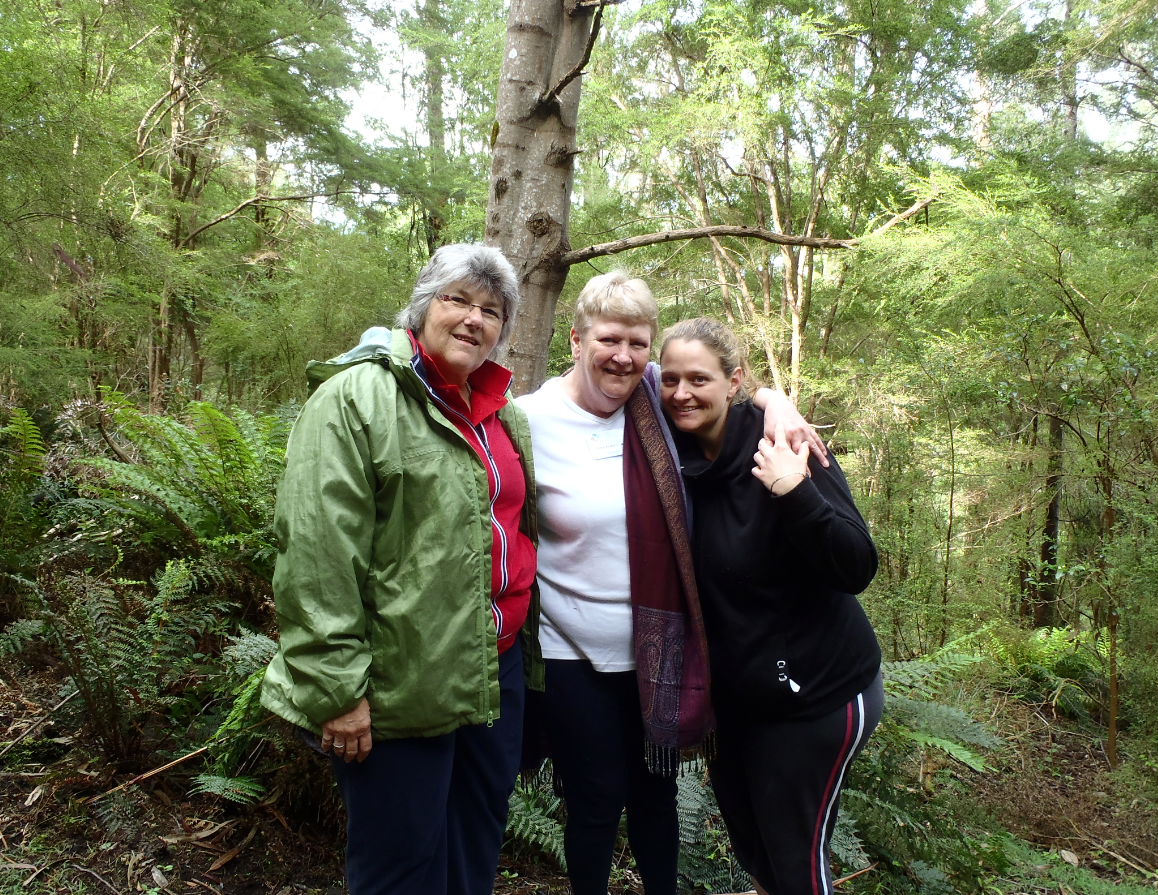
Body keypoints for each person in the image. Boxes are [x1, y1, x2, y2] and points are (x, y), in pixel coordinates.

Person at [515, 274, 826, 895]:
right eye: (608, 339)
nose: (623, 356)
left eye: (637, 343)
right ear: (576, 340)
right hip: (568, 649)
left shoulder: (657, 399)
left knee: (656, 798)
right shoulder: (527, 420)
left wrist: (779, 403)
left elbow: (733, 391)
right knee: (598, 799)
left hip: (656, 652)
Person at [260, 244, 541, 895]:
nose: (474, 319)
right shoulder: (356, 399)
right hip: (397, 682)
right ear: (423, 306)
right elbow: (317, 552)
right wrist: (337, 690)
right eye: (458, 299)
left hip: (493, 672)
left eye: (492, 310)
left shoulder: (505, 416)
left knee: (474, 846)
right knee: (400, 866)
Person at [658, 317, 883, 895]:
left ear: (732, 382)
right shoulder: (671, 446)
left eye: (700, 380)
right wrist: (771, 392)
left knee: (795, 864)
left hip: (819, 696)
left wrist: (795, 492)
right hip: (741, 704)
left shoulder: (784, 445)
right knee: (757, 855)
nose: (682, 393)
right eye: (673, 379)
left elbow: (856, 564)